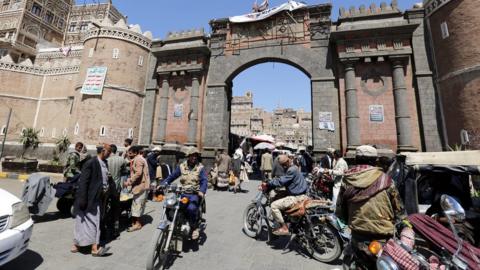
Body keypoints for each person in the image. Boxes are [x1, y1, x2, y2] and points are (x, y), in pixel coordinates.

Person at [336, 145, 408, 269]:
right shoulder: (386, 180)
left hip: (358, 236)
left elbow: (340, 210)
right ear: (375, 161)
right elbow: (400, 211)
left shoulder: (347, 180)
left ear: (356, 160)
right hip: (383, 237)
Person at [72, 144, 112, 256]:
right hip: (88, 198)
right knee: (88, 222)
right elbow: (83, 182)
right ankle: (94, 248)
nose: (110, 154)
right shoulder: (91, 163)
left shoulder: (105, 163)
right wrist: (83, 199)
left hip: (98, 197)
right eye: (109, 152)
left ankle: (77, 245)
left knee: (87, 222)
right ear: (103, 150)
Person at [161, 147, 207, 240]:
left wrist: (201, 191)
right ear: (188, 156)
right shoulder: (182, 166)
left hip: (194, 194)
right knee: (169, 205)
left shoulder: (200, 168)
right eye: (192, 156)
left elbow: (204, 181)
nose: (194, 158)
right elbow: (173, 176)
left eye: (195, 156)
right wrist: (165, 183)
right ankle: (173, 222)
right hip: (181, 193)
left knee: (191, 208)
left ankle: (194, 228)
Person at [261, 154, 308, 236]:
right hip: (302, 194)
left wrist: (269, 183)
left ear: (287, 161)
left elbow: (281, 181)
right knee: (280, 196)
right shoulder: (295, 168)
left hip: (296, 197)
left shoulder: (291, 170)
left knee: (274, 205)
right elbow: (284, 180)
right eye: (282, 165)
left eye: (283, 165)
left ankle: (284, 227)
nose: (283, 167)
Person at [125, 145, 150, 232]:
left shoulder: (138, 159)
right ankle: (135, 222)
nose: (128, 154)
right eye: (128, 153)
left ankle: (138, 224)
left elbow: (138, 173)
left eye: (130, 153)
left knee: (137, 205)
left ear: (135, 153)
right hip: (140, 186)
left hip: (141, 186)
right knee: (137, 204)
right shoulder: (137, 159)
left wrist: (129, 181)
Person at [106, 144, 127, 238]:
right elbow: (124, 172)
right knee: (116, 209)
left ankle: (103, 228)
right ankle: (115, 230)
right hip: (117, 188)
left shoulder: (105, 160)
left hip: (106, 188)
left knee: (104, 208)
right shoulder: (121, 160)